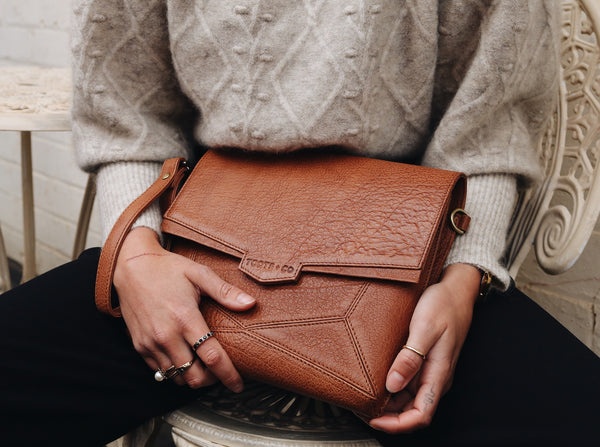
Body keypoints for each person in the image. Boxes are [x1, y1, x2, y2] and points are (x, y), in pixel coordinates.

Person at [1, 1, 600, 446]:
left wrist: (463, 276)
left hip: (414, 269)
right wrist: (135, 255)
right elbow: (125, 111)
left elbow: (489, 134)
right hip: (186, 252)